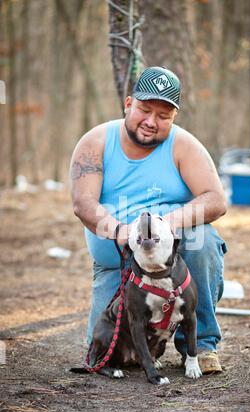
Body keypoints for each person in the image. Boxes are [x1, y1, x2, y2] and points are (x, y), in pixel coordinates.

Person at [70, 66, 227, 374]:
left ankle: (201, 345)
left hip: (171, 257)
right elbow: (83, 203)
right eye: (144, 109)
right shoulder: (96, 142)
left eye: (163, 115)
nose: (151, 122)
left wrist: (169, 223)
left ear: (174, 118)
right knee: (107, 353)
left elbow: (216, 199)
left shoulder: (184, 145)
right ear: (128, 104)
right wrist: (118, 230)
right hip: (121, 263)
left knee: (204, 241)